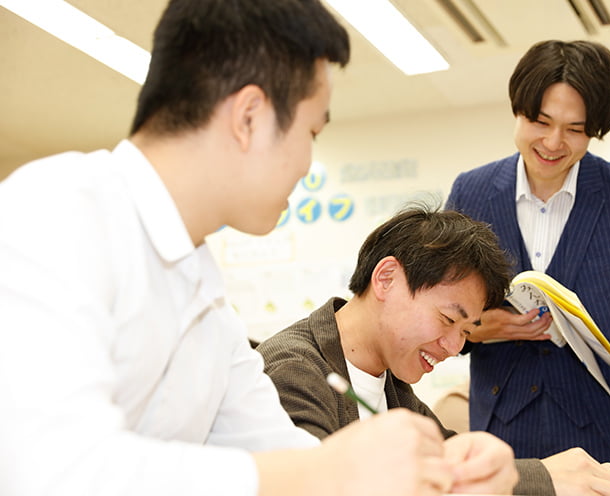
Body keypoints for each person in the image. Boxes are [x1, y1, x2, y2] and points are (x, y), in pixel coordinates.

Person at [0, 1, 474, 495]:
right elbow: (52, 470)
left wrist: (452, 473)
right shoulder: (52, 213)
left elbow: (276, 447)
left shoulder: (203, 291)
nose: (306, 164)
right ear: (249, 117)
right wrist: (331, 471)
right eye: (311, 132)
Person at [445, 39, 610, 496]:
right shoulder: (471, 192)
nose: (553, 143)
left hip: (605, 437)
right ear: (517, 111)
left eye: (575, 129)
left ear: (595, 129)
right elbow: (442, 307)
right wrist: (479, 327)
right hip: (501, 435)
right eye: (540, 122)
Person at [257, 204, 610, 496]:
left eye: (467, 331)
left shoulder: (391, 381)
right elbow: (322, 482)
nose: (454, 347)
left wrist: (552, 473)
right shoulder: (293, 370)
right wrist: (543, 478)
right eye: (447, 319)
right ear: (386, 279)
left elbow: (453, 457)